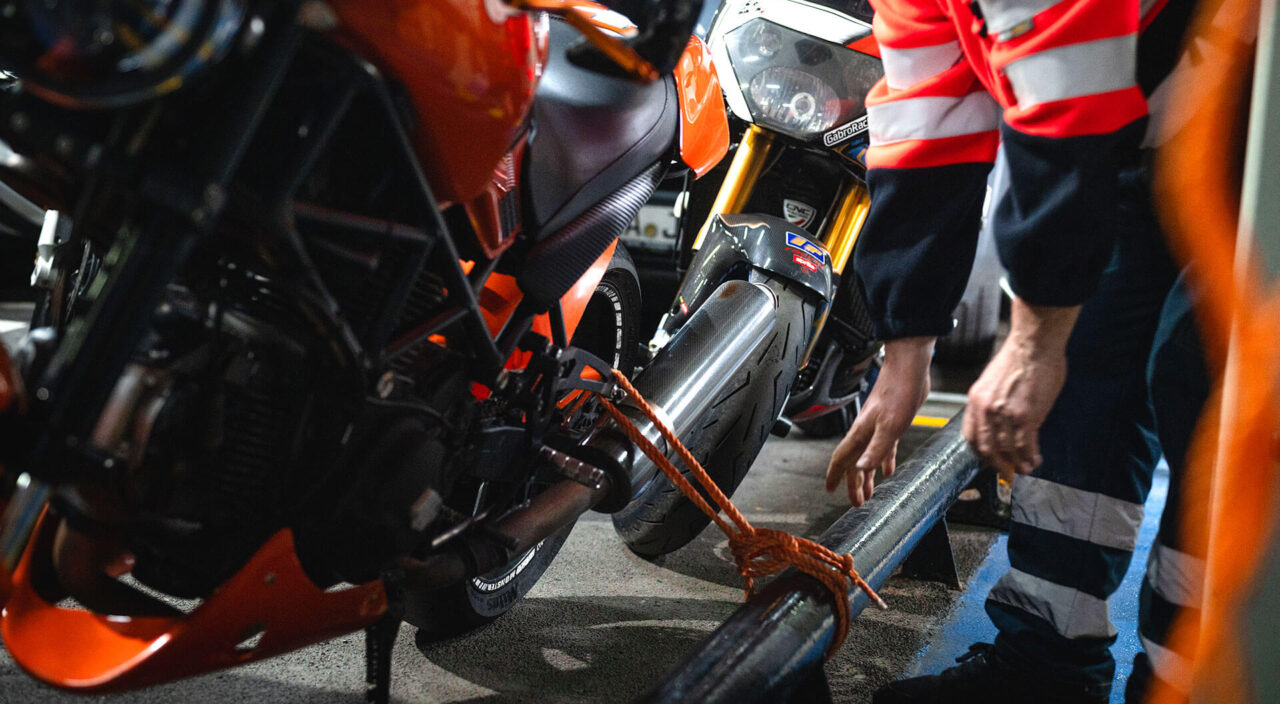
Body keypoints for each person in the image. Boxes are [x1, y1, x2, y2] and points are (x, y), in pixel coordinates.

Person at [821, 0, 1209, 701]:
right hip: (1133, 139)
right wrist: (906, 348)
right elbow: (924, 126)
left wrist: (1032, 345)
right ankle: (1045, 668)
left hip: (1247, 129)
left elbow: (1068, 112)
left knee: (1205, 395)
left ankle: (1198, 682)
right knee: (1082, 396)